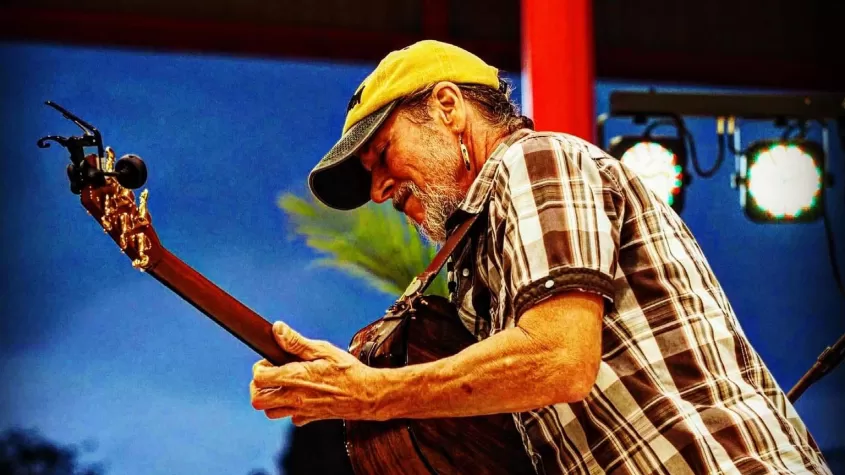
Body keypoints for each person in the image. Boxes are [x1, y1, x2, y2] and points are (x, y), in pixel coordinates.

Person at [249, 40, 831, 474]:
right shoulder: (474, 258)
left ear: (448, 108)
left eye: (382, 153)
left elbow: (559, 357)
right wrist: (357, 380)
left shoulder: (533, 163)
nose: (378, 190)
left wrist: (373, 395)